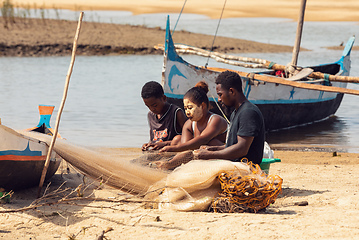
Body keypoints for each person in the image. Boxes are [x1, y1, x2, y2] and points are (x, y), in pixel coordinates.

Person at [194, 70, 265, 165]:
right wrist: (212, 149)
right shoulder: (235, 113)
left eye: (220, 95)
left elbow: (241, 149)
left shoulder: (248, 112)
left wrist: (210, 155)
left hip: (246, 169)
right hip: (234, 165)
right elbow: (232, 146)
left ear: (231, 91)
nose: (219, 99)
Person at [159, 81, 228, 153]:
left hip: (222, 151)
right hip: (200, 149)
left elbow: (203, 140)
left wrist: (174, 148)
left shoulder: (215, 120)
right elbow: (185, 145)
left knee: (211, 143)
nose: (187, 112)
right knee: (177, 139)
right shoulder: (189, 124)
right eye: (185, 108)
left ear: (202, 106)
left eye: (190, 108)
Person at [141, 81, 187, 151]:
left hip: (171, 151)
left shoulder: (176, 112)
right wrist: (148, 145)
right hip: (157, 152)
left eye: (155, 105)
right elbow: (153, 139)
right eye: (148, 106)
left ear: (164, 98)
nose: (152, 109)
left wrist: (165, 144)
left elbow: (189, 139)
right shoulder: (150, 115)